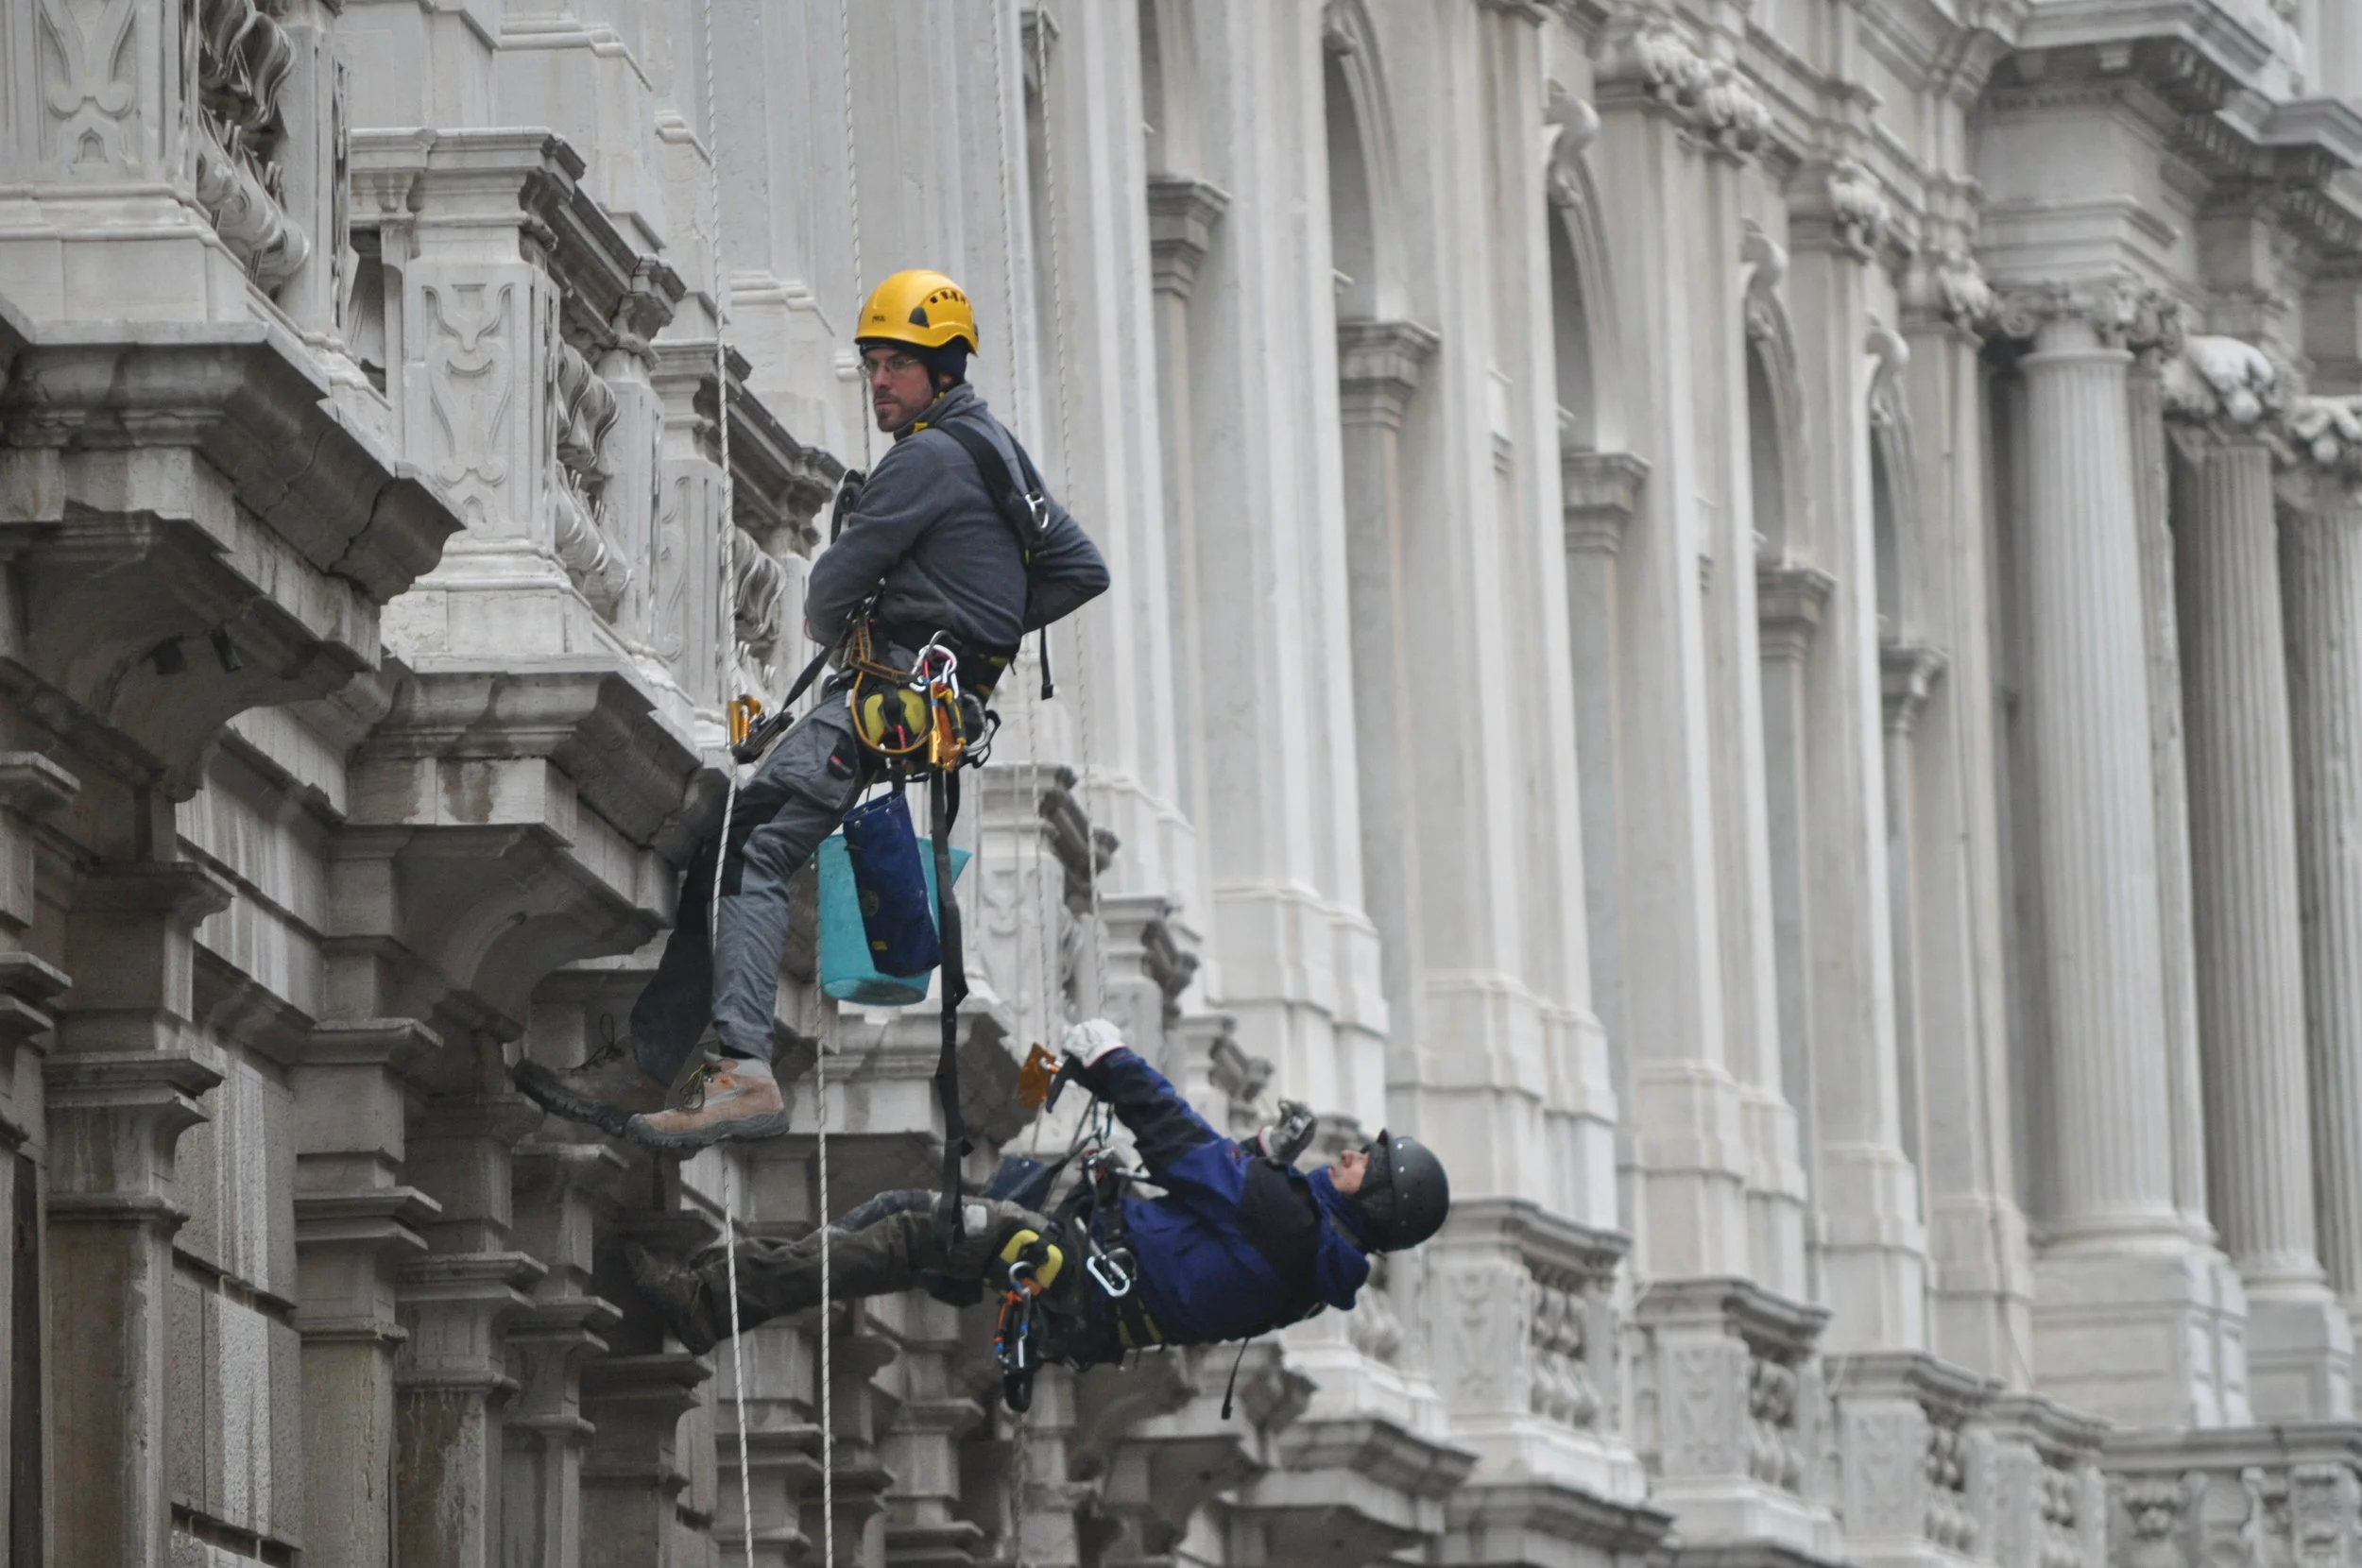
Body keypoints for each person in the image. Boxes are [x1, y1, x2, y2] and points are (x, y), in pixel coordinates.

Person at [517, 270, 1109, 1150]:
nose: (879, 383)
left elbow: (830, 595)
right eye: (871, 364)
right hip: (927, 704)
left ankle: (736, 1074)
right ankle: (656, 1057)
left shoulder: (926, 458)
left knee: (748, 846)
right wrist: (976, 635)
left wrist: (918, 620)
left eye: (896, 367)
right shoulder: (996, 453)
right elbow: (1077, 568)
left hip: (884, 699)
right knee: (738, 836)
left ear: (942, 369)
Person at [621, 1019, 1453, 1360]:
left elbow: (1179, 1147)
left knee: (917, 1231)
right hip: (1093, 1290)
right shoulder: (1310, 1247)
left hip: (1077, 1275)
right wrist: (1259, 1151)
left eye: (1367, 1163)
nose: (1353, 1153)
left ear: (1379, 1198)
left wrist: (1111, 1061)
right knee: (902, 1220)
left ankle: (709, 1302)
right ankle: (735, 1285)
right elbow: (1214, 1222)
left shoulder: (1290, 1220)